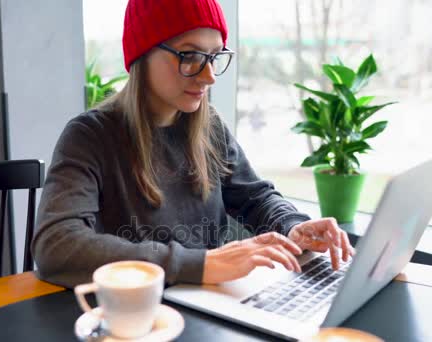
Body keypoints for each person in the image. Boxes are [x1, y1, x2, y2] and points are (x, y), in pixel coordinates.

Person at [31, 0, 354, 288]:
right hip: (135, 314)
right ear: (142, 54)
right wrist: (201, 264)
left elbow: (255, 197)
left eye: (214, 56)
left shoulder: (209, 126)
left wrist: (293, 225)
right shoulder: (91, 135)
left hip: (208, 302)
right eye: (191, 56)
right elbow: (56, 246)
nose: (209, 76)